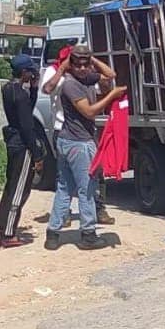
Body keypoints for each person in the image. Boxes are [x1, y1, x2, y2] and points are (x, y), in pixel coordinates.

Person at [47, 46, 127, 249]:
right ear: (70, 66)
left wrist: (93, 59)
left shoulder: (87, 78)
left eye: (85, 65)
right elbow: (89, 112)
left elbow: (111, 74)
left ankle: (53, 234)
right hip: (78, 144)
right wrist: (112, 95)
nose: (82, 68)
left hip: (67, 141)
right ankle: (88, 235)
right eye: (78, 64)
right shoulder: (71, 85)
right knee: (87, 190)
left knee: (64, 188)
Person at [0, 54, 46, 248]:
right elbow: (27, 126)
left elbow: (25, 112)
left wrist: (33, 89)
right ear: (24, 72)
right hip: (22, 145)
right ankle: (8, 234)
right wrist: (37, 155)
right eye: (30, 71)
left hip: (12, 143)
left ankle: (1, 231)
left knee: (10, 188)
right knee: (19, 191)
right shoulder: (20, 95)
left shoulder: (9, 89)